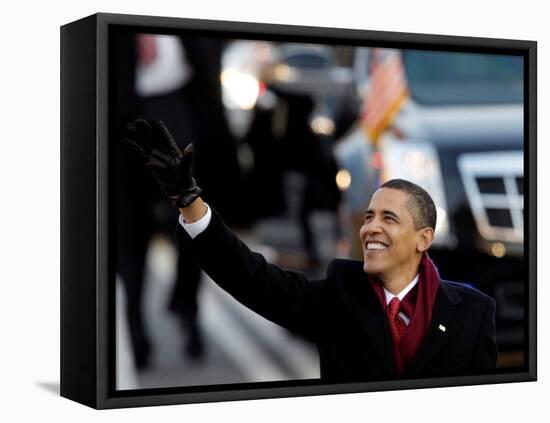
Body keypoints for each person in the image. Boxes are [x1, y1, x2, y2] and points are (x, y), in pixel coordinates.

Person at [123, 118, 498, 381]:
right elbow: (249, 276)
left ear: (424, 238)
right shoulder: (338, 294)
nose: (371, 228)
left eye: (389, 218)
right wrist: (188, 198)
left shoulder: (473, 313)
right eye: (368, 217)